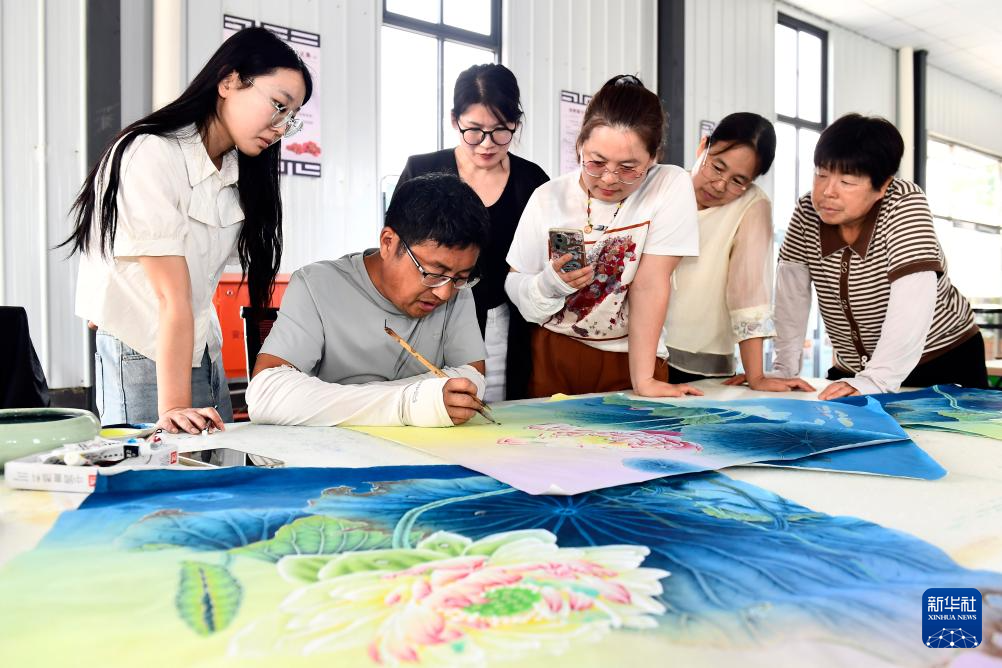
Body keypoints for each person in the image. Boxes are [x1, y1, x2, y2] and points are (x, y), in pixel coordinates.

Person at [63, 28, 313, 433]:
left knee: (221, 467)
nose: (282, 127)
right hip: (146, 354)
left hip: (203, 350)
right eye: (278, 106)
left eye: (291, 117)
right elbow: (170, 295)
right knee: (159, 469)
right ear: (229, 81)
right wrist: (174, 407)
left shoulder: (235, 171)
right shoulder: (150, 152)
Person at [506, 74, 701, 399]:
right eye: (596, 162)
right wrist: (549, 285)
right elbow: (514, 282)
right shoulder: (547, 197)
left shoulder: (669, 185)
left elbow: (650, 284)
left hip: (633, 354)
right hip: (556, 351)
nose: (609, 179)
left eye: (628, 168)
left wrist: (644, 380)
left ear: (654, 157)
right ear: (579, 145)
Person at [772, 113, 988, 399]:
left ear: (883, 185)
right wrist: (783, 370)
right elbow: (791, 295)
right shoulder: (807, 213)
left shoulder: (904, 203)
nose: (827, 192)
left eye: (847, 181)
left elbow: (912, 300)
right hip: (855, 371)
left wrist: (876, 379)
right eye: (821, 174)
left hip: (940, 361)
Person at [245, 173, 489, 427]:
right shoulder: (317, 286)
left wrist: (356, 401)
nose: (445, 293)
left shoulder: (457, 291)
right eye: (433, 273)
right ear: (388, 243)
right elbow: (267, 393)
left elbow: (471, 379)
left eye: (462, 277)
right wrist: (407, 404)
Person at [393, 64, 548, 402]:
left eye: (501, 131)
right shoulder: (421, 171)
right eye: (474, 131)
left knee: (502, 410)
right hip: (431, 318)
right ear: (454, 120)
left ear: (516, 123)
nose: (487, 144)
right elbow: (395, 254)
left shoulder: (532, 182)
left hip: (505, 326)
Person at [665, 113, 813, 392]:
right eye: (717, 167)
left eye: (738, 180)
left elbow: (748, 290)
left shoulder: (751, 204)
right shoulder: (665, 186)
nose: (720, 185)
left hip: (699, 365)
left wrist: (756, 376)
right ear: (703, 146)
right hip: (633, 352)